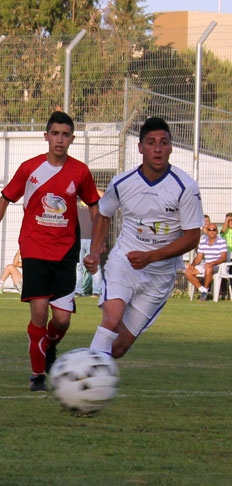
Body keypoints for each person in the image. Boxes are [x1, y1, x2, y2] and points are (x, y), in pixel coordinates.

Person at [0, 111, 100, 392]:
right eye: (55, 134)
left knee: (61, 320)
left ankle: (50, 345)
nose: (60, 139)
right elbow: (5, 198)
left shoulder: (80, 172)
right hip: (34, 249)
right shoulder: (29, 169)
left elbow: (95, 205)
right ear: (46, 136)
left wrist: (97, 242)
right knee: (39, 312)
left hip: (66, 251)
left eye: (66, 134)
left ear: (72, 138)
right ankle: (37, 376)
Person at [85, 117, 202, 357]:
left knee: (117, 349)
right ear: (140, 147)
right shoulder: (122, 183)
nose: (158, 148)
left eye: (164, 142)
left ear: (171, 147)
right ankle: (84, 375)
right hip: (124, 262)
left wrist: (151, 256)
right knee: (112, 318)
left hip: (160, 276)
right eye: (151, 142)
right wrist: (95, 251)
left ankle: (91, 369)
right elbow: (103, 214)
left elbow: (192, 237)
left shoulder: (185, 187)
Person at [185, 223, 228, 301]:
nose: (212, 231)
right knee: (188, 272)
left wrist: (211, 263)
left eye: (214, 230)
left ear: (217, 231)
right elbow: (199, 257)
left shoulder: (222, 241)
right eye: (210, 230)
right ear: (207, 231)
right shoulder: (203, 242)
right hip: (206, 264)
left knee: (208, 267)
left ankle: (204, 292)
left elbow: (223, 258)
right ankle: (203, 291)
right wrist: (193, 264)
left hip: (218, 265)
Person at [74, 196, 104, 297]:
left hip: (93, 238)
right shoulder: (75, 199)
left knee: (95, 265)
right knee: (78, 266)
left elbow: (103, 195)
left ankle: (97, 291)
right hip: (78, 238)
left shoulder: (94, 200)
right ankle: (78, 291)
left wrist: (91, 190)